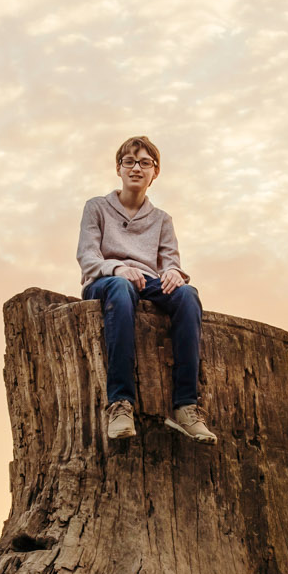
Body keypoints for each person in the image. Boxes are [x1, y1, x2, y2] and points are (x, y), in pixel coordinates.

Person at [76, 136, 216, 443]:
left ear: (155, 172)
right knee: (121, 289)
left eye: (145, 163)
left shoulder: (162, 220)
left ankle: (186, 406)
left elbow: (171, 262)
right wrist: (118, 268)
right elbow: (88, 258)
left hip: (148, 282)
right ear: (118, 168)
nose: (136, 168)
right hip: (106, 281)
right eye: (129, 161)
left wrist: (174, 274)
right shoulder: (97, 207)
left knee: (187, 296)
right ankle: (121, 404)